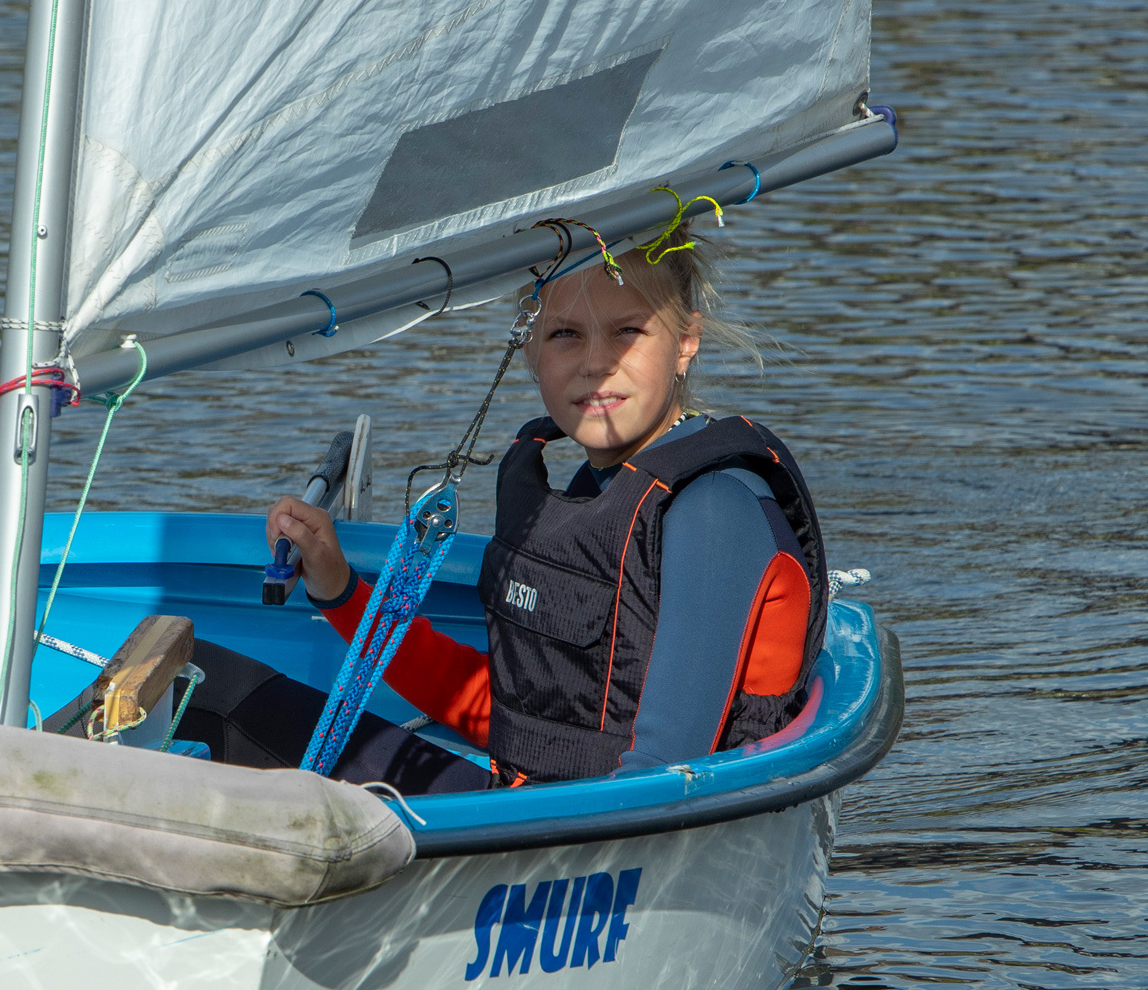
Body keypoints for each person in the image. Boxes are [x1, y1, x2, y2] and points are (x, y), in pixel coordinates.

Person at [172, 230, 827, 790]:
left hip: (594, 857)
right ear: (530, 350)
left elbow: (664, 774)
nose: (597, 364)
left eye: (629, 332)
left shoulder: (713, 511)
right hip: (518, 811)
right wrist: (340, 590)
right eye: (566, 335)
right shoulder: (592, 490)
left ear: (686, 342)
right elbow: (508, 713)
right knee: (199, 676)